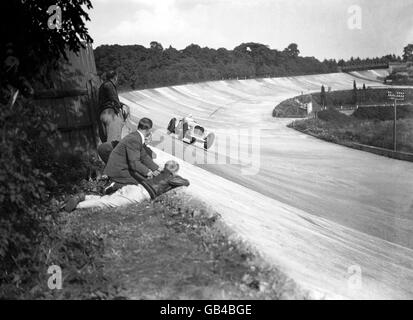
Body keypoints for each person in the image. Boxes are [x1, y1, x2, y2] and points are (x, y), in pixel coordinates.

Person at [64, 161, 189, 211]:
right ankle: (77, 207)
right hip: (139, 194)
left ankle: (83, 196)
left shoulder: (159, 172)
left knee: (106, 199)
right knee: (107, 204)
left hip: (134, 187)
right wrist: (174, 178)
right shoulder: (171, 177)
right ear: (174, 171)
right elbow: (185, 182)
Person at [104, 118, 160, 187]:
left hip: (120, 168)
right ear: (148, 130)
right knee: (142, 183)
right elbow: (134, 163)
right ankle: (112, 185)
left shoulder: (136, 136)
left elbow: (143, 156)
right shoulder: (135, 140)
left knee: (143, 179)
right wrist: (147, 172)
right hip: (118, 171)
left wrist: (155, 168)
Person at [98, 70, 127, 143]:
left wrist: (122, 104)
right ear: (115, 77)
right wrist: (120, 109)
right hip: (110, 114)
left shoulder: (103, 85)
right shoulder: (109, 85)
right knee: (113, 144)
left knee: (106, 144)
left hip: (103, 114)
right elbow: (114, 99)